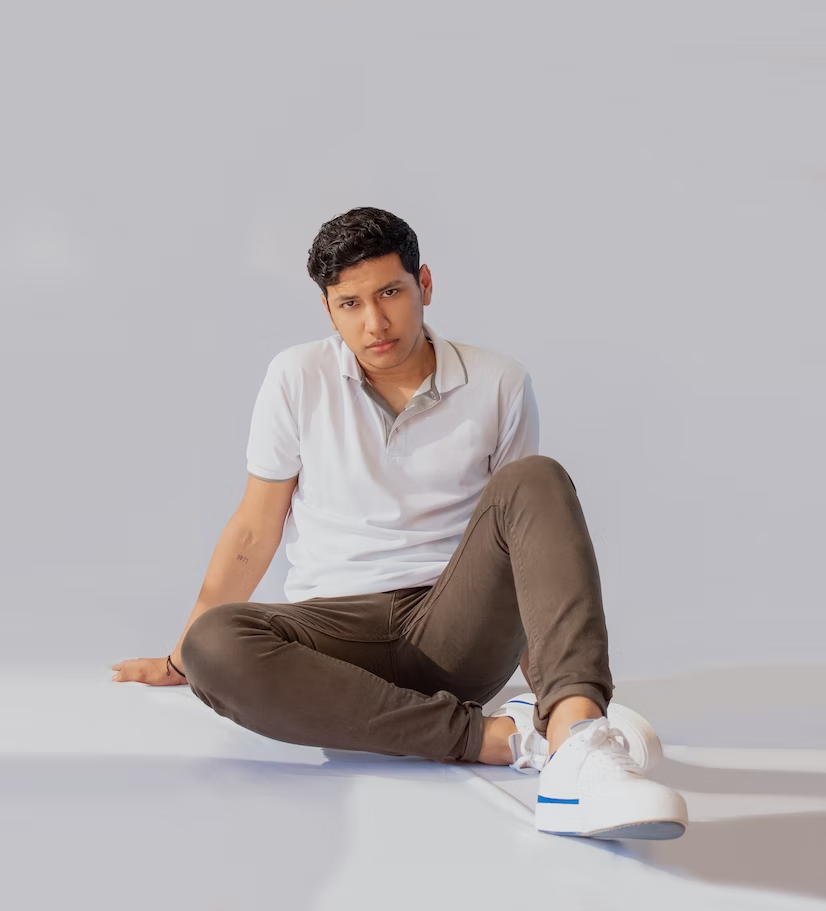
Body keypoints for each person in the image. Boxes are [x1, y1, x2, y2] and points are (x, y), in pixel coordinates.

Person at [112, 206, 688, 840]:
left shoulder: (499, 381)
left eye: (390, 293)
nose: (375, 322)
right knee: (213, 645)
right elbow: (254, 528)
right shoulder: (296, 377)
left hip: (453, 628)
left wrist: (556, 685)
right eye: (350, 304)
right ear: (328, 310)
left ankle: (579, 741)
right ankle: (506, 739)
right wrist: (183, 654)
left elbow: (526, 541)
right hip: (331, 635)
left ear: (425, 285)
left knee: (536, 478)